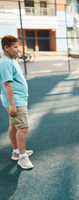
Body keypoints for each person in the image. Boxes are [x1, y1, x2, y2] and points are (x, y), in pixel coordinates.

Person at [0, 35, 33, 169]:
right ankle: (22, 157)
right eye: (15, 47)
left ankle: (16, 152)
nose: (18, 50)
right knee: (23, 127)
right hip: (16, 102)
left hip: (17, 100)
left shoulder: (10, 60)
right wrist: (13, 105)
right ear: (6, 48)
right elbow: (7, 85)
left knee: (14, 126)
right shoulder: (6, 62)